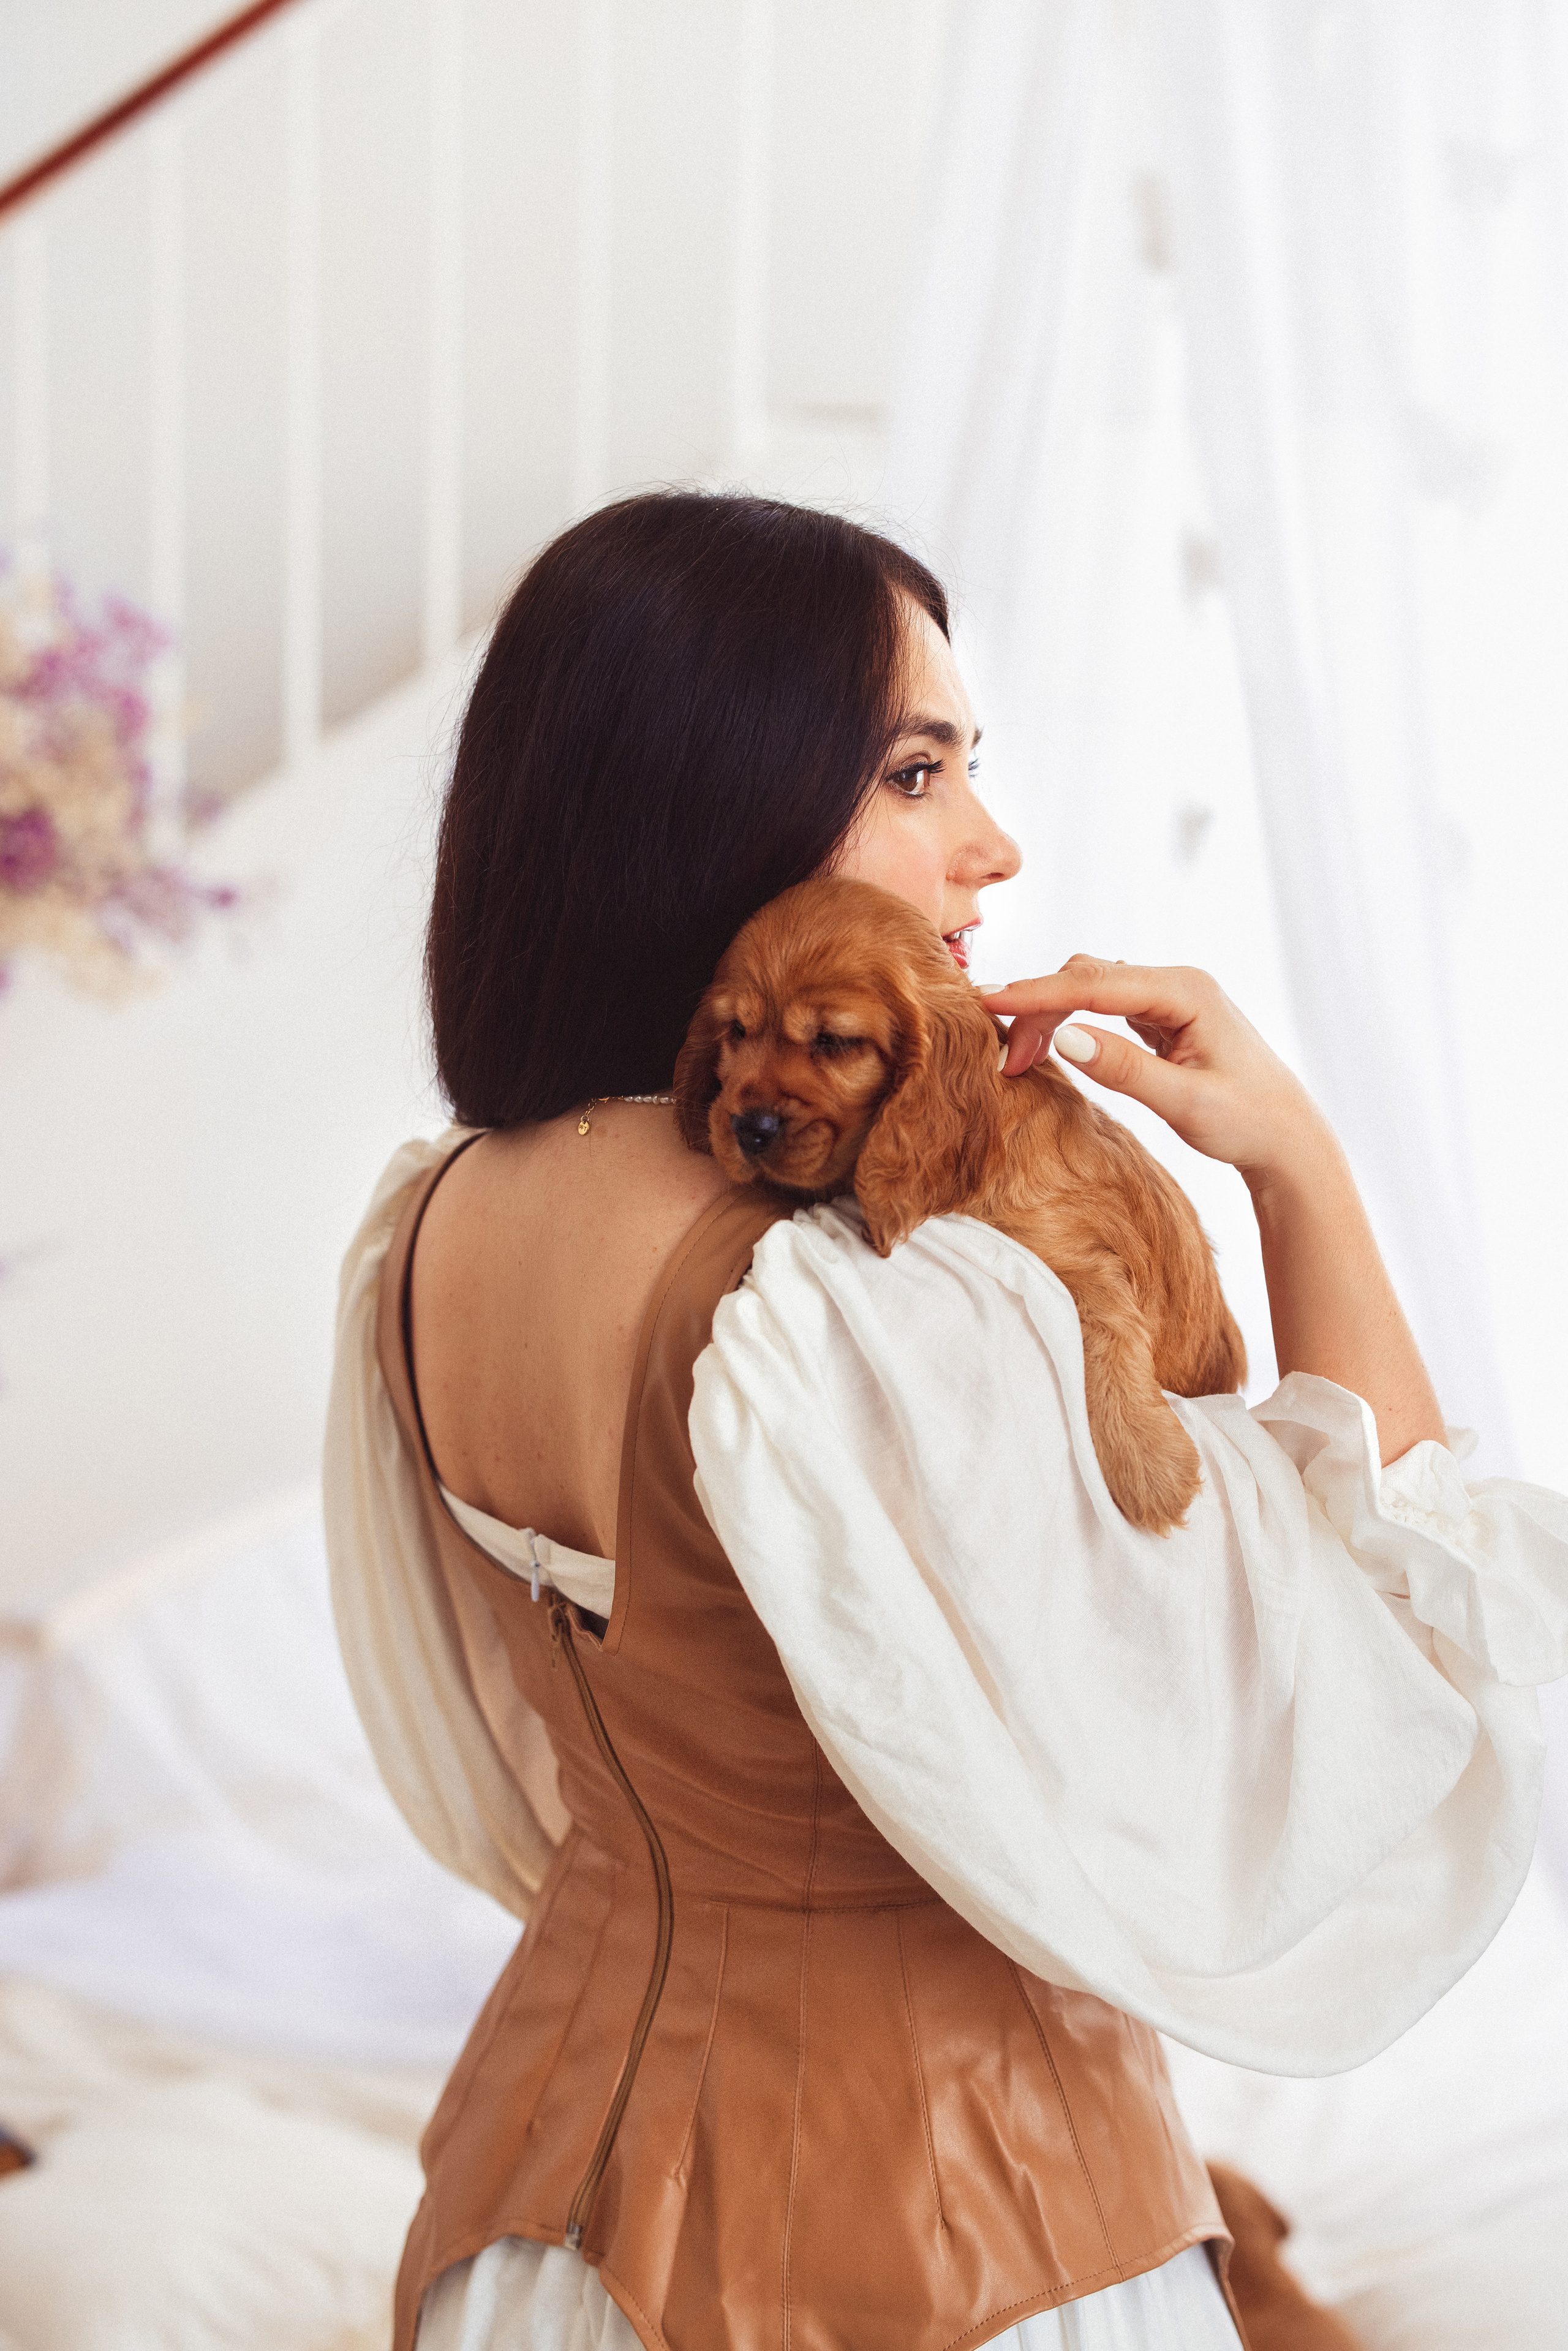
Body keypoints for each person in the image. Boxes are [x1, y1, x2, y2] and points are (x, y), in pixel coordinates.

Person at [323, 491, 1568, 2351]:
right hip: (953, 2232)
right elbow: (1373, 1665)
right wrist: (1300, 1171)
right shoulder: (844, 1312)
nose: (989, 847)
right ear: (711, 788)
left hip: (528, 2220)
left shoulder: (434, 1224)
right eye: (916, 775)